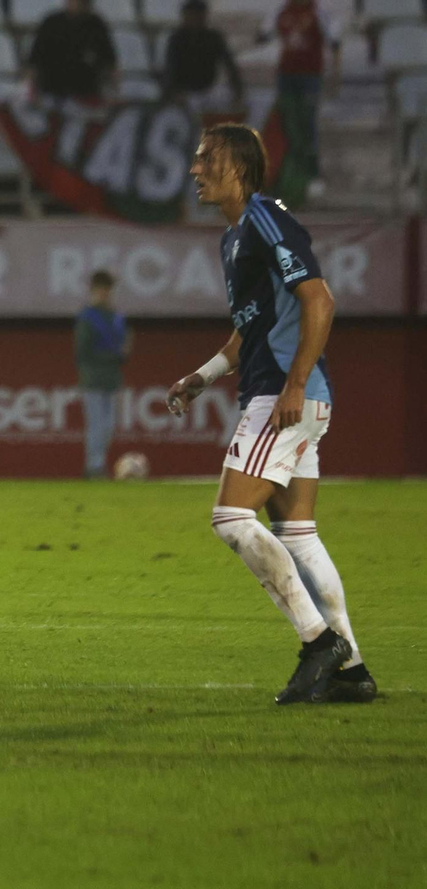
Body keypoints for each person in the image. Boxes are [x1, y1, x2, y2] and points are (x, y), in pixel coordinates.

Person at [167, 123, 374, 705]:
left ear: (236, 164)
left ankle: (317, 643)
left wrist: (294, 384)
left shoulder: (264, 217)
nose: (194, 169)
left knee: (231, 518)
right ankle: (352, 671)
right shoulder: (233, 238)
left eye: (205, 157)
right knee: (299, 535)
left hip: (284, 395)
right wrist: (201, 377)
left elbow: (320, 299)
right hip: (286, 392)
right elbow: (249, 328)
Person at [258, 0, 343, 199]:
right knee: (288, 122)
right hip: (286, 74)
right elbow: (263, 34)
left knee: (308, 122)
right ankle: (288, 172)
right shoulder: (282, 10)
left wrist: (335, 74)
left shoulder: (318, 11)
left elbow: (334, 42)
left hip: (310, 74)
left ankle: (312, 173)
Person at [74, 270, 130, 479]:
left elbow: (123, 349)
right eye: (101, 290)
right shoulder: (88, 317)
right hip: (92, 378)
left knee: (109, 426)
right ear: (93, 290)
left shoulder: (116, 317)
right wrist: (114, 355)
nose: (105, 294)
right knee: (96, 424)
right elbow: (82, 352)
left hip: (111, 379)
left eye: (107, 290)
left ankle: (97, 463)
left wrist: (123, 353)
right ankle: (94, 466)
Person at [25, 0, 116, 103]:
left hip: (87, 95)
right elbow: (34, 61)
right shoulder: (51, 23)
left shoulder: (96, 26)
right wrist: (32, 90)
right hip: (52, 94)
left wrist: (112, 92)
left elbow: (110, 63)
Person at [161, 0, 244, 111]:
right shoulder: (177, 39)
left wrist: (238, 92)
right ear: (184, 16)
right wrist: (174, 93)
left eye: (198, 15)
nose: (194, 19)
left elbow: (229, 65)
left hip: (210, 90)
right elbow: (170, 69)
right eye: (191, 16)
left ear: (204, 16)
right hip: (186, 93)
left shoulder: (214, 37)